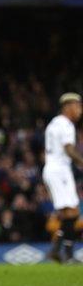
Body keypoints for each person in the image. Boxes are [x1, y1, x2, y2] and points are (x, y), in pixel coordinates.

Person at [43, 92, 83, 264]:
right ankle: (66, 254)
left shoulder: (53, 123)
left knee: (70, 213)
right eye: (78, 106)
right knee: (72, 212)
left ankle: (57, 251)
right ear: (68, 107)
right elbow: (68, 149)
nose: (80, 111)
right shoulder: (66, 125)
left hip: (55, 170)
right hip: (60, 170)